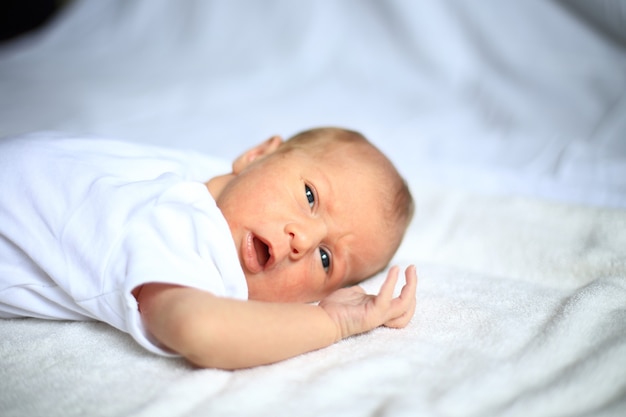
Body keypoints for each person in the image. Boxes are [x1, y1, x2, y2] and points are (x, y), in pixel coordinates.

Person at [0, 127, 417, 369]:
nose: (303, 240)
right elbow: (201, 329)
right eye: (309, 197)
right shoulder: (191, 233)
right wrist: (332, 324)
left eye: (325, 259)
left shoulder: (204, 179)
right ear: (256, 155)